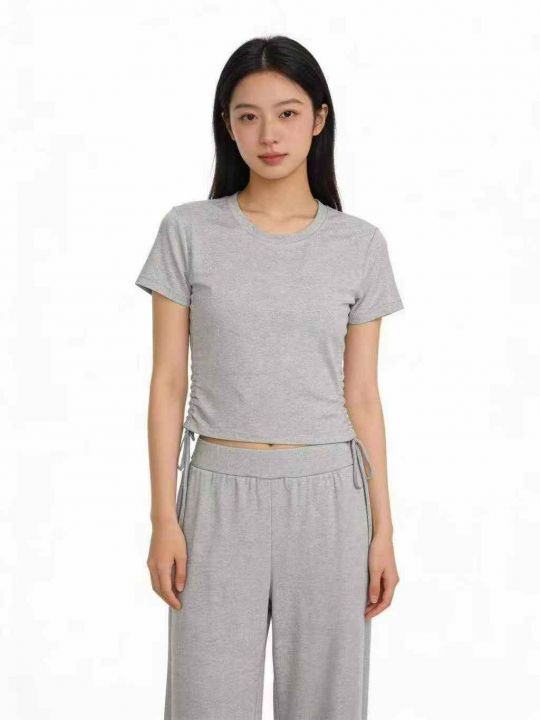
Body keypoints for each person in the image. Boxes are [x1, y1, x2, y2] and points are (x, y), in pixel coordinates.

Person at [135, 34, 404, 720]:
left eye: (287, 114)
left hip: (330, 497)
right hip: (217, 493)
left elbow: (363, 396)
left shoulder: (359, 244)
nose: (268, 134)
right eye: (247, 116)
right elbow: (167, 383)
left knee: (326, 705)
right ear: (227, 126)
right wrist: (164, 518)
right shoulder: (188, 231)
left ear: (319, 119)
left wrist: (383, 530)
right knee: (205, 703)